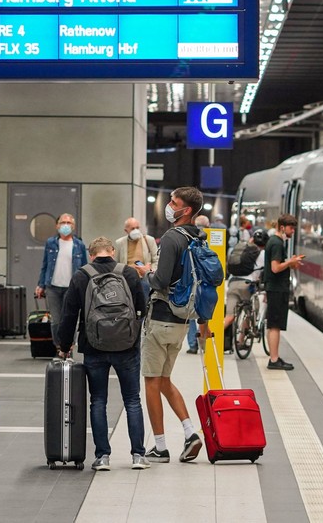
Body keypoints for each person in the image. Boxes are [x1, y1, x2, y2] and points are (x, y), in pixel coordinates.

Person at [56, 237, 149, 471]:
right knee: (132, 400)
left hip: (94, 346)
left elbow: (69, 315)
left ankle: (102, 457)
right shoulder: (128, 273)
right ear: (112, 252)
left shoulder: (81, 275)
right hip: (127, 347)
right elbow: (142, 308)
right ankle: (138, 455)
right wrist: (132, 333)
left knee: (98, 400)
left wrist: (65, 345)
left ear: (91, 254)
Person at [142, 186, 205, 463]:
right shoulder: (198, 236)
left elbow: (161, 281)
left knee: (152, 382)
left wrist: (146, 273)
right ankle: (190, 432)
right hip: (181, 322)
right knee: (165, 380)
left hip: (160, 319)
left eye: (174, 202)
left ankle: (159, 445)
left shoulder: (171, 238)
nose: (169, 205)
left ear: (186, 210)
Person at [34, 214, 88, 346]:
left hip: (71, 288)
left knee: (70, 319)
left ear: (73, 226)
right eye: (63, 222)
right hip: (53, 286)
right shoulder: (51, 243)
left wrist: (85, 286)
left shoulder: (79, 245)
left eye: (68, 223)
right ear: (57, 226)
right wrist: (40, 285)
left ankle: (69, 348)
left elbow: (84, 268)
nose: (65, 225)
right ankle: (59, 347)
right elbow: (45, 265)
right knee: (56, 321)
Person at [262, 214, 304, 370]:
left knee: (273, 324)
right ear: (282, 227)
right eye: (291, 228)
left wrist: (290, 263)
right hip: (277, 288)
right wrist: (290, 262)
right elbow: (275, 267)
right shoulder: (277, 243)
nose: (292, 231)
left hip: (274, 288)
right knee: (275, 326)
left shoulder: (275, 242)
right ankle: (274, 360)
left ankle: (274, 357)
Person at [225, 229, 268, 352]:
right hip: (247, 285)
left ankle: (206, 338)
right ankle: (241, 339)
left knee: (229, 317)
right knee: (251, 309)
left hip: (232, 283)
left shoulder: (241, 249)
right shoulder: (262, 253)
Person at [113, 217, 157, 300]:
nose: (136, 230)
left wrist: (150, 271)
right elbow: (117, 263)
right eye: (133, 228)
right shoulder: (120, 243)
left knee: (144, 303)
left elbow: (156, 259)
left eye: (137, 228)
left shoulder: (149, 240)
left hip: (143, 279)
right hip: (126, 279)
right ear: (126, 230)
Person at [186, 215, 211, 354]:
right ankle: (203, 342)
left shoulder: (189, 237)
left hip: (190, 280)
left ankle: (192, 344)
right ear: (208, 225)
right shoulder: (210, 239)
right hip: (205, 282)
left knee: (190, 313)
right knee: (204, 314)